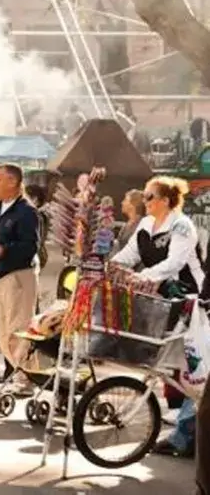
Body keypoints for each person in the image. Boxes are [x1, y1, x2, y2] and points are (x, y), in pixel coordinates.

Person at [110, 176, 206, 458]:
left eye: (150, 196)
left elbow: (175, 262)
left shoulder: (181, 225)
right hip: (164, 300)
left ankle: (183, 436)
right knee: (171, 364)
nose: (145, 201)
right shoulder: (145, 225)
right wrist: (112, 266)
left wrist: (142, 276)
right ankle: (186, 425)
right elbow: (130, 253)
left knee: (194, 366)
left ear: (166, 200)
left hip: (192, 301)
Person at [0, 163, 40, 393]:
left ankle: (25, 378)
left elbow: (30, 246)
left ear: (13, 182)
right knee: (3, 332)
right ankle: (19, 372)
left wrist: (5, 250)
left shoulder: (26, 212)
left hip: (18, 276)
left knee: (18, 330)